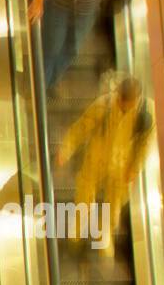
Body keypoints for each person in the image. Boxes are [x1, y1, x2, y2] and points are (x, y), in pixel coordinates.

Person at [58, 74, 154, 245]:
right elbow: (81, 127)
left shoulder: (146, 113)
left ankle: (104, 239)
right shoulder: (104, 105)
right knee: (84, 195)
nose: (123, 105)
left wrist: (135, 168)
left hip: (123, 164)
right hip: (98, 157)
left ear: (137, 99)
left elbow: (145, 144)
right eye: (122, 100)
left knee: (114, 205)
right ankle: (75, 235)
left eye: (128, 102)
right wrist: (66, 149)